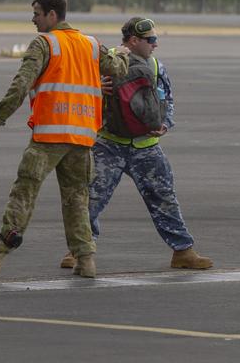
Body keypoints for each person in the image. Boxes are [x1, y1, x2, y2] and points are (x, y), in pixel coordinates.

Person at [0, 0, 127, 279]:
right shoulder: (92, 44)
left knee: (24, 192)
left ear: (52, 15)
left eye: (36, 13)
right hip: (82, 137)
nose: (32, 19)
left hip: (49, 134)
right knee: (77, 199)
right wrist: (119, 54)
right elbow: (119, 69)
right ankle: (86, 260)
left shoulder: (44, 43)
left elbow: (22, 82)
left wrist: (0, 116)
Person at [60, 17, 212, 271]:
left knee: (164, 198)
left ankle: (183, 251)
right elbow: (76, 93)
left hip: (146, 145)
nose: (155, 45)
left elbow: (168, 101)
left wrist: (165, 123)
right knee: (91, 199)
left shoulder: (155, 67)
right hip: (109, 144)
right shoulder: (105, 63)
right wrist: (97, 88)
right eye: (150, 40)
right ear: (133, 41)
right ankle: (79, 251)